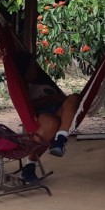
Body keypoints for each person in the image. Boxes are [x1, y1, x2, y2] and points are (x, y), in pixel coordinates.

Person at [15, 50, 81, 183]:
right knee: (51, 123)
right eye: (31, 68)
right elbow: (27, 106)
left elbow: (62, 99)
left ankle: (60, 140)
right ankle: (30, 165)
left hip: (60, 110)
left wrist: (57, 98)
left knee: (75, 97)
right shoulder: (21, 87)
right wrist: (49, 99)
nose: (35, 70)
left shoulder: (43, 80)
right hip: (41, 114)